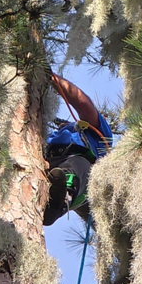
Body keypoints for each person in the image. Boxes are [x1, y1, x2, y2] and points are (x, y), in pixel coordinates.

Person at [43, 74, 113, 226]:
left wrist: (50, 77)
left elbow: (84, 104)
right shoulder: (47, 137)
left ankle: (59, 199)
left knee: (80, 164)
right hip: (45, 163)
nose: (63, 126)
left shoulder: (100, 136)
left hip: (76, 173)